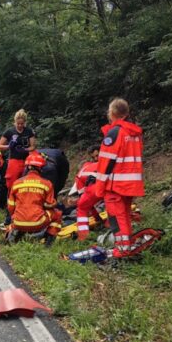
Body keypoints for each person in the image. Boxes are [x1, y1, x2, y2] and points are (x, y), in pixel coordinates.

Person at [95, 98, 144, 258]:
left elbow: (105, 163)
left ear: (113, 113)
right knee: (125, 217)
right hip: (131, 183)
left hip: (116, 184)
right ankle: (127, 247)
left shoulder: (115, 132)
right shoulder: (134, 133)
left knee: (116, 217)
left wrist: (100, 187)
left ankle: (122, 250)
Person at [7, 153, 62, 247]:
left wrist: (16, 217)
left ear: (28, 167)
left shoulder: (17, 183)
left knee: (16, 217)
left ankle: (12, 237)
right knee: (57, 214)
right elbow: (49, 204)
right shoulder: (46, 184)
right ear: (41, 168)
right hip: (38, 222)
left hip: (17, 222)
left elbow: (11, 206)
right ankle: (48, 243)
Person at [0, 109, 37, 191]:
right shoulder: (9, 131)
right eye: (18, 123)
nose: (20, 125)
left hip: (27, 160)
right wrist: (9, 146)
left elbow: (33, 146)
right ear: (15, 122)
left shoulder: (29, 131)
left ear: (25, 123)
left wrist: (25, 149)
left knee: (26, 181)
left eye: (22, 124)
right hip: (14, 160)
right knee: (11, 182)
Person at [71, 147, 101, 240]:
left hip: (96, 186)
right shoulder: (98, 164)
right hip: (112, 184)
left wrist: (97, 217)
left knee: (81, 208)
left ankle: (83, 236)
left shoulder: (80, 175)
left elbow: (87, 202)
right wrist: (98, 218)